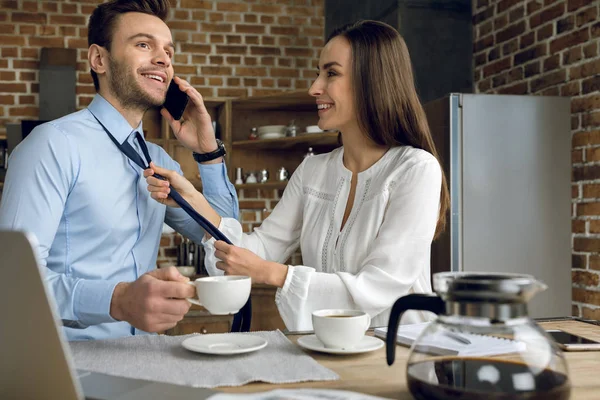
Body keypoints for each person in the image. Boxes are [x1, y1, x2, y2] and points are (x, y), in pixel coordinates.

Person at [144, 20, 450, 331]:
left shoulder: (415, 169)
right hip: (329, 352)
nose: (314, 88)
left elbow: (380, 286)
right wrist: (195, 203)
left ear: (372, 81)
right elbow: (259, 250)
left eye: (330, 73)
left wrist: (272, 273)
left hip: (395, 358)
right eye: (319, 73)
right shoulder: (313, 170)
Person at [0, 0, 239, 340]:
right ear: (99, 59)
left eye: (168, 51)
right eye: (144, 44)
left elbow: (228, 241)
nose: (163, 59)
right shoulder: (52, 145)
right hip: (73, 369)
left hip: (145, 360)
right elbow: (12, 282)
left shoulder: (158, 160)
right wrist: (118, 301)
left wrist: (208, 153)